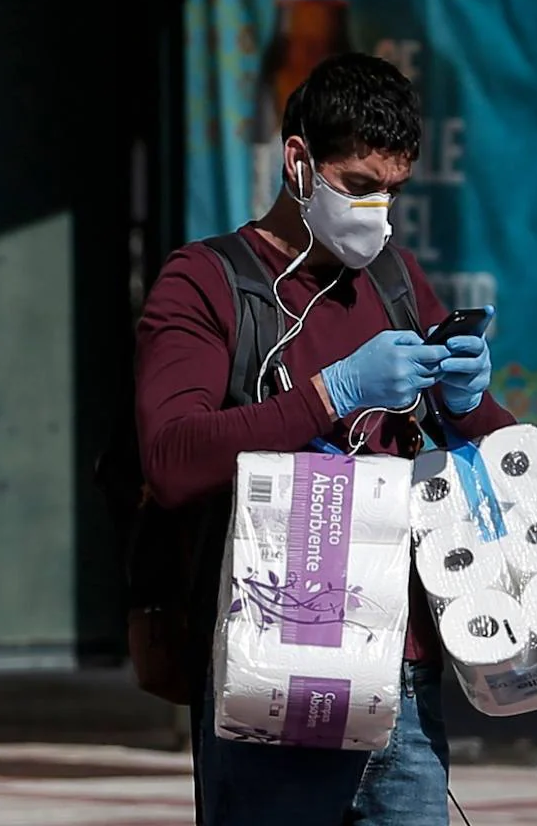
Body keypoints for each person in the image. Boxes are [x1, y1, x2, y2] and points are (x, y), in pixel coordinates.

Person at [134, 52, 516, 824]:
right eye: (359, 186)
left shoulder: (396, 282)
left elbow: (504, 465)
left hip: (400, 678)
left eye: (395, 191)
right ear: (300, 163)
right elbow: (172, 459)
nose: (378, 211)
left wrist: (470, 406)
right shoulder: (208, 282)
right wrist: (329, 392)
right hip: (272, 667)